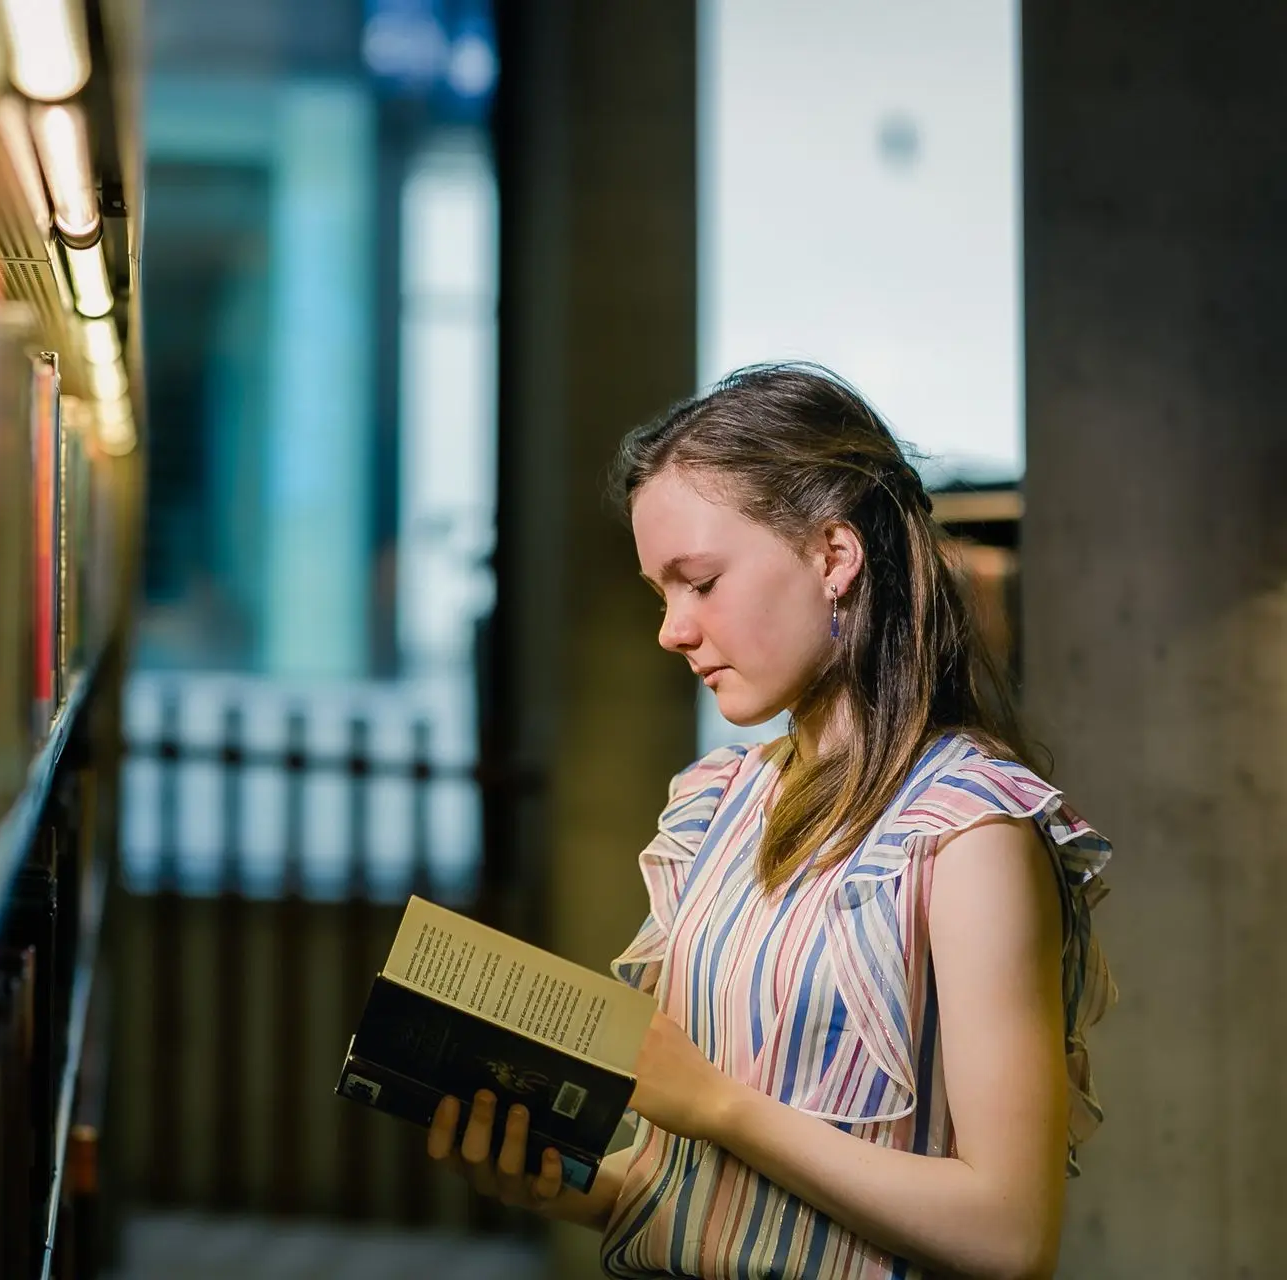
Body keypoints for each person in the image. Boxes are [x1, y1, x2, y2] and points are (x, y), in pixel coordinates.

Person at [426, 365, 1114, 1279]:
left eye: (700, 582)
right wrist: (562, 1181)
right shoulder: (717, 806)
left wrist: (718, 1105)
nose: (672, 629)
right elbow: (711, 1196)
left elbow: (1010, 1233)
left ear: (834, 558)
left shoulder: (966, 831)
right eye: (659, 592)